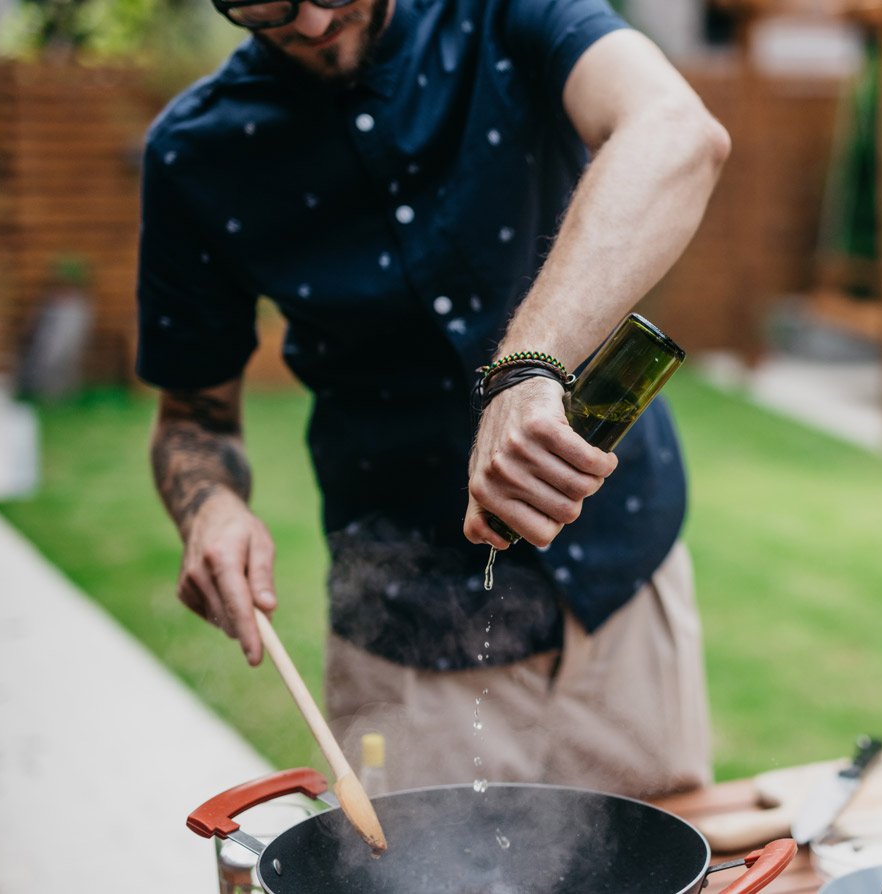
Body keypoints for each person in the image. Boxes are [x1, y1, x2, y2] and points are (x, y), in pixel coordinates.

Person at [137, 0, 729, 799]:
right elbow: (192, 421)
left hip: (621, 588)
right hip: (409, 628)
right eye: (267, 3)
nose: (311, 23)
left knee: (667, 867)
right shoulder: (193, 153)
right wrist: (208, 505)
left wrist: (529, 366)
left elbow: (678, 133)